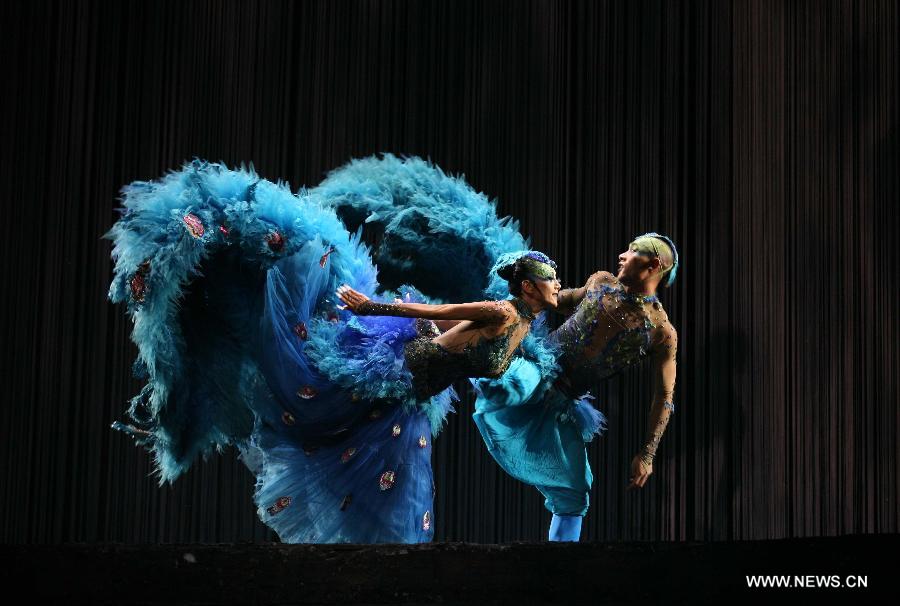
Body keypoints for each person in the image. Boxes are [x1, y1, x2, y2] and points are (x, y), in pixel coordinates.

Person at [107, 155, 549, 543]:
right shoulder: (499, 313)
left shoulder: (525, 327)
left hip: (407, 401)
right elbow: (442, 311)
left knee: (393, 491)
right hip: (391, 359)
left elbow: (571, 303)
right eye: (551, 280)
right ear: (528, 286)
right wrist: (372, 305)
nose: (559, 286)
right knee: (304, 374)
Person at [473, 233, 679, 542]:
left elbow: (664, 395)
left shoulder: (661, 333)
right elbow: (558, 301)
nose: (622, 255)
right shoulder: (602, 283)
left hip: (561, 403)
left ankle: (559, 567)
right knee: (508, 384)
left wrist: (647, 454)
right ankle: (447, 350)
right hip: (537, 370)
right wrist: (527, 287)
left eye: (632, 252)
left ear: (653, 265)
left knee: (576, 491)